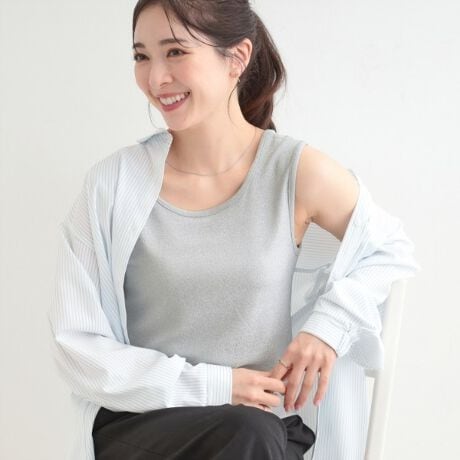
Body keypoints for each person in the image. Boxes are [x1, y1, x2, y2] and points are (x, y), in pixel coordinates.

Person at [47, 1, 421, 459]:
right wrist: (218, 385)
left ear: (237, 58)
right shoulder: (113, 184)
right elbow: (77, 346)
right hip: (144, 427)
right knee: (249, 433)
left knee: (253, 432)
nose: (156, 77)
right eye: (141, 56)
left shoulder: (294, 171)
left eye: (175, 52)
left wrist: (329, 327)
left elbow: (390, 249)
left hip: (260, 432)